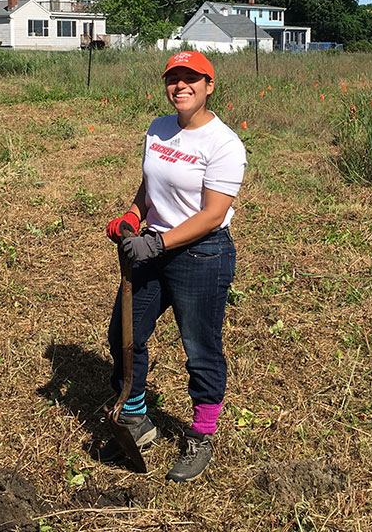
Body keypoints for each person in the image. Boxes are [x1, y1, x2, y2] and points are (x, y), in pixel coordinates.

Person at [104, 51, 246, 482]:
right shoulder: (159, 128)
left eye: (191, 79)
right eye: (174, 79)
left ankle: (201, 434)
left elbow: (212, 213)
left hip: (202, 254)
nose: (181, 86)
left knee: (200, 348)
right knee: (124, 334)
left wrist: (160, 242)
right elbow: (151, 183)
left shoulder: (224, 143)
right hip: (152, 244)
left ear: (209, 86)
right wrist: (133, 214)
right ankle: (134, 417)